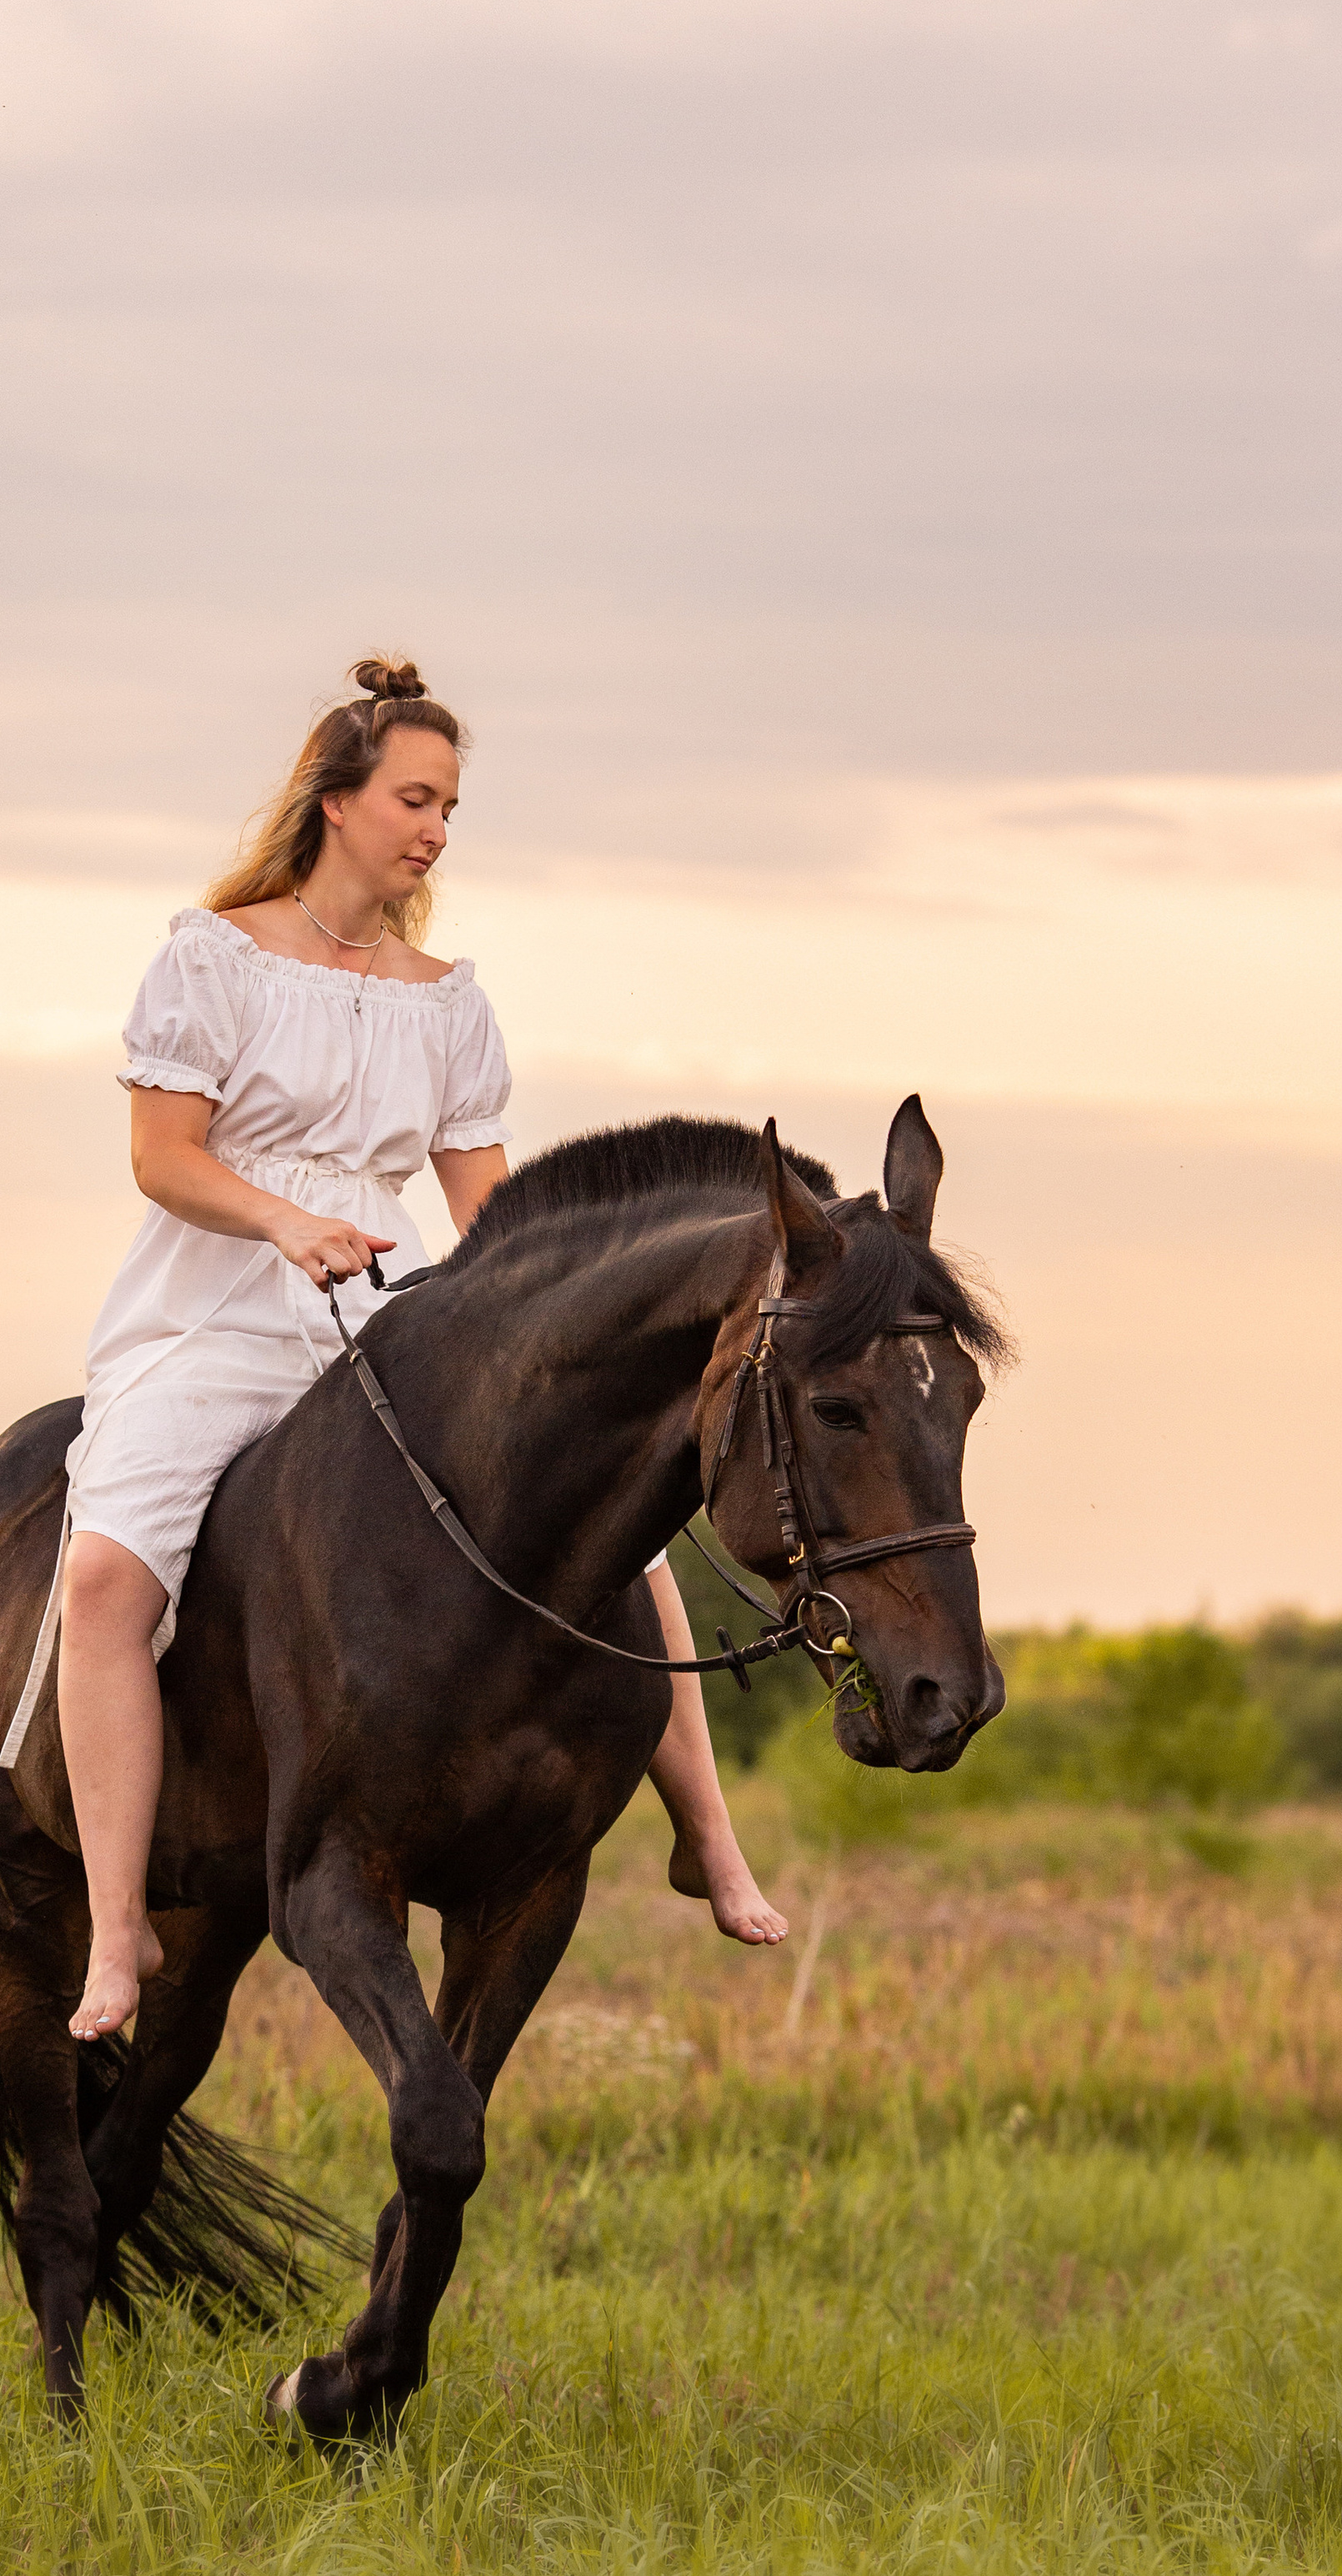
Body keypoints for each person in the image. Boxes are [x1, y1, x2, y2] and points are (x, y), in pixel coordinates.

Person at [42, 655, 789, 2043]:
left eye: (450, 806)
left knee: (617, 1533)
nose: (436, 829)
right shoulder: (214, 957)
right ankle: (116, 1927)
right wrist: (284, 1223)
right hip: (212, 1308)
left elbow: (483, 1209)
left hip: (381, 1312)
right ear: (337, 802)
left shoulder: (446, 999)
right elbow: (162, 1159)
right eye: (415, 798)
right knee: (98, 1582)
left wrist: (535, 1328)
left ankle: (709, 1841)